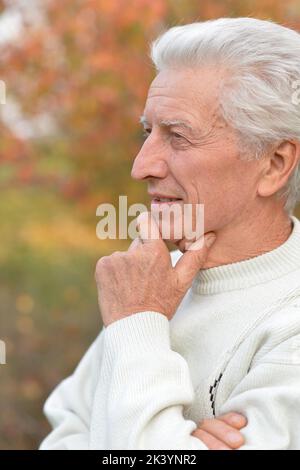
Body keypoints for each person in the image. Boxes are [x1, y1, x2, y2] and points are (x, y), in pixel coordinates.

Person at [40, 17, 300, 450]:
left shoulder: (141, 302)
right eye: (148, 132)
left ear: (273, 164)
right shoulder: (153, 284)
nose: (142, 167)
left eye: (177, 136)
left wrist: (138, 323)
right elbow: (63, 434)